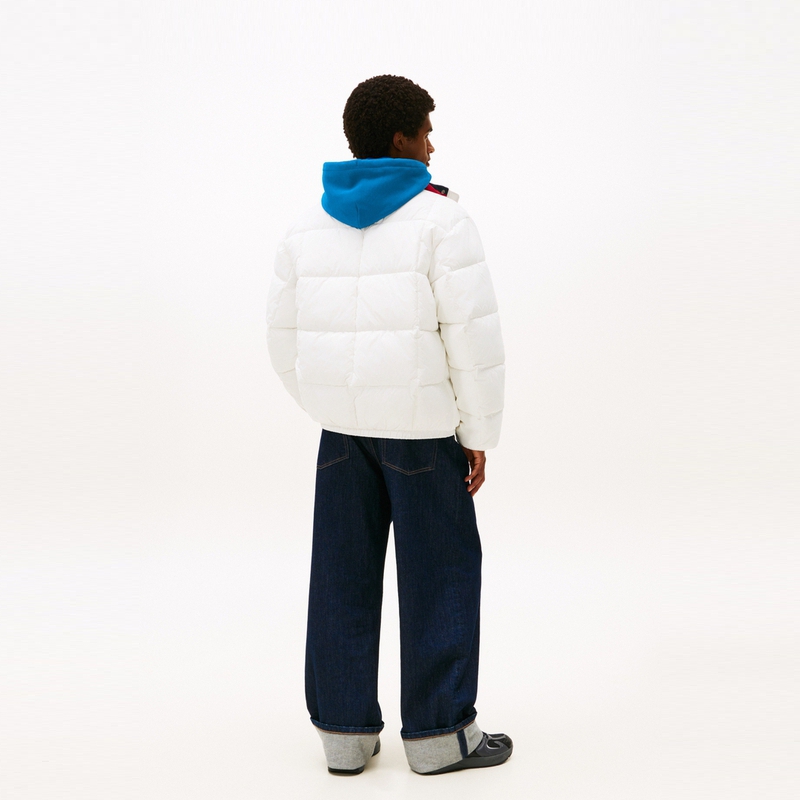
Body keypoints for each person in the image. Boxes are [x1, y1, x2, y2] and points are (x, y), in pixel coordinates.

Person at [266, 74, 510, 776]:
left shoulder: (307, 225)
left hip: (340, 434)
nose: (433, 146)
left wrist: (334, 404)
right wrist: (477, 434)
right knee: (441, 574)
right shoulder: (442, 221)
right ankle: (439, 738)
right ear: (401, 138)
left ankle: (344, 740)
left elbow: (282, 341)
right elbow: (472, 339)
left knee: (340, 576)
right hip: (423, 435)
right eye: (426, 131)